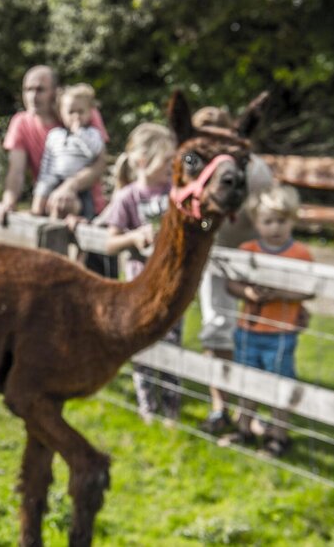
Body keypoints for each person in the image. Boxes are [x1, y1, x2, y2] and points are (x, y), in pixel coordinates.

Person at [192, 107, 275, 434]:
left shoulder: (256, 170)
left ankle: (251, 410)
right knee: (216, 327)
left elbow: (269, 216)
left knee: (258, 333)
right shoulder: (194, 165)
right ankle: (220, 407)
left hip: (252, 256)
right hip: (215, 253)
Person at [224, 185, 314, 457]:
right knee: (246, 382)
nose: (275, 227)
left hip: (281, 334)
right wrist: (249, 293)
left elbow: (309, 288)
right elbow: (232, 284)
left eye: (281, 221)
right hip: (248, 330)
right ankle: (244, 428)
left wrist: (280, 293)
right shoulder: (248, 250)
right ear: (256, 223)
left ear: (292, 220)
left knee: (280, 386)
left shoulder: (300, 254)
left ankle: (278, 436)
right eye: (268, 221)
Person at [102, 123, 181, 424]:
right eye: (167, 161)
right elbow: (110, 242)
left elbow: (198, 224)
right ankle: (147, 409)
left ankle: (171, 411)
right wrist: (134, 237)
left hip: (171, 285)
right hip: (138, 286)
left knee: (172, 346)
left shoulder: (176, 194)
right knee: (141, 345)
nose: (172, 167)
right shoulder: (127, 197)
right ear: (143, 162)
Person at [0, 65, 109, 225]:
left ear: (55, 92)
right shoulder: (21, 122)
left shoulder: (79, 111)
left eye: (40, 90)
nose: (33, 96)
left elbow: (100, 163)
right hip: (47, 206)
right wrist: (8, 203)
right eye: (28, 90)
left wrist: (70, 186)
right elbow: (16, 171)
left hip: (88, 208)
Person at [31, 84, 106, 220]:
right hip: (55, 180)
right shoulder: (54, 135)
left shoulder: (92, 134)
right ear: (61, 113)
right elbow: (48, 163)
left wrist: (79, 132)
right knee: (47, 201)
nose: (76, 116)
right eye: (71, 112)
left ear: (90, 112)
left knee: (77, 208)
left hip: (81, 188)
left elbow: (95, 151)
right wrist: (43, 186)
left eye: (81, 112)